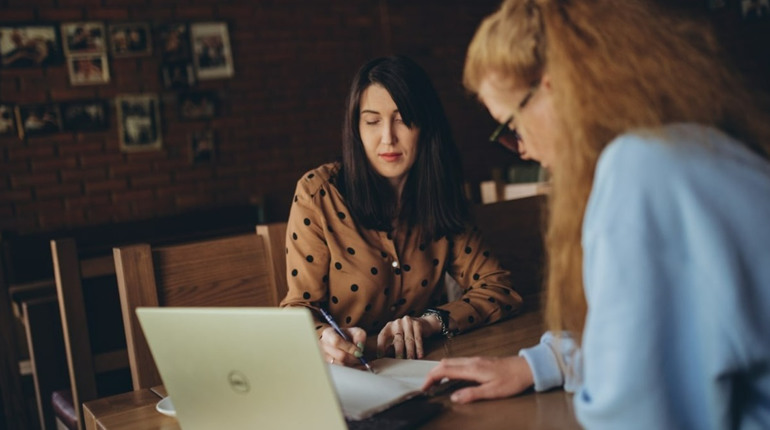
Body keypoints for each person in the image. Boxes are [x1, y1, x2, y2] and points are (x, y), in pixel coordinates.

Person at [421, 1, 770, 428]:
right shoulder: (691, 147)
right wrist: (539, 365)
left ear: (553, 88)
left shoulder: (639, 171)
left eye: (511, 127)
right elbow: (662, 343)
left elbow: (637, 412)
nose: (523, 149)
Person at [280, 55, 523, 368]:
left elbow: (500, 289)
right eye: (372, 121)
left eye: (402, 119)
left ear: (425, 125)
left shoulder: (440, 192)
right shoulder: (319, 194)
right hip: (347, 373)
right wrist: (322, 336)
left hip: (425, 366)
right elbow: (297, 309)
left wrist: (430, 322)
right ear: (356, 129)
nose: (387, 138)